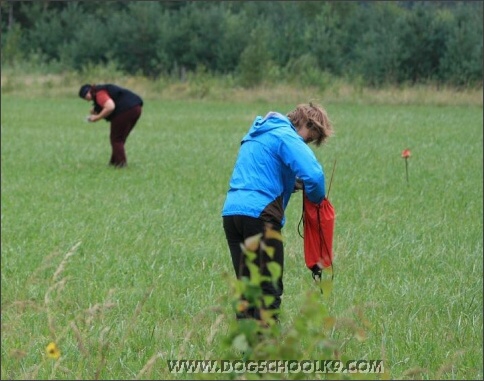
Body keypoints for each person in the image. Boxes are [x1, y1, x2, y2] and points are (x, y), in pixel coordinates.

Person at [222, 102, 334, 324]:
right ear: (306, 123)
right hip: (260, 217)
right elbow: (314, 175)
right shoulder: (285, 134)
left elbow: (262, 172)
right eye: (309, 138)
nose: (306, 144)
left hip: (232, 213)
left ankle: (247, 351)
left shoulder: (258, 132)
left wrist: (290, 183)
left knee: (247, 288)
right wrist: (317, 204)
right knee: (268, 289)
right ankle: (265, 352)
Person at [78, 83, 143, 168]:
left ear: (87, 92)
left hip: (126, 110)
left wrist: (97, 117)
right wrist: (97, 110)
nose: (87, 100)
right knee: (119, 139)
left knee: (116, 139)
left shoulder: (99, 93)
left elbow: (110, 107)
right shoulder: (99, 91)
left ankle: (121, 165)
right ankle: (114, 163)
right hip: (136, 108)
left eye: (85, 98)